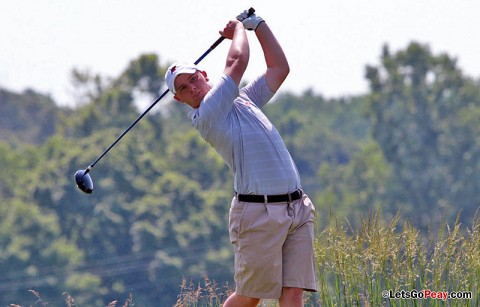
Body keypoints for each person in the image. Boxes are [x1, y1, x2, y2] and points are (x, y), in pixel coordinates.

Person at [165, 10, 318, 307]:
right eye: (183, 88)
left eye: (193, 79)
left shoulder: (244, 99)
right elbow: (237, 62)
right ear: (178, 99)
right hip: (257, 214)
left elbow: (279, 68)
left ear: (203, 75)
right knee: (250, 297)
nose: (192, 88)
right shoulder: (207, 114)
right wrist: (237, 29)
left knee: (294, 292)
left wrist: (258, 25)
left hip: (296, 207)